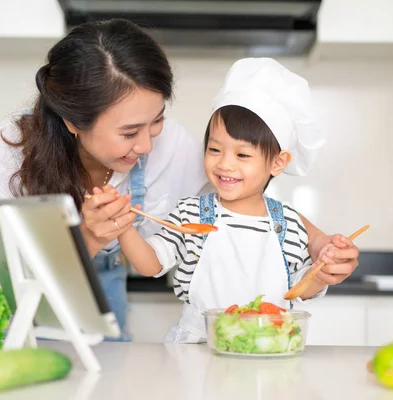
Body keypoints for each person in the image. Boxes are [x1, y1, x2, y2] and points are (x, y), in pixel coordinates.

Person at [0, 19, 210, 341]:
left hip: (101, 303)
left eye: (157, 119)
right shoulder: (11, 145)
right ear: (73, 122)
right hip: (10, 299)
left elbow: (233, 205)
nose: (147, 145)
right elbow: (5, 274)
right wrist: (88, 237)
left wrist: (299, 232)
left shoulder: (175, 147)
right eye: (129, 133)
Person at [113, 58, 361, 343]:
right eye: (215, 149)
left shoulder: (290, 224)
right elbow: (150, 265)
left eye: (242, 155)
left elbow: (298, 288)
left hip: (267, 349)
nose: (225, 165)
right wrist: (123, 227)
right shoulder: (191, 213)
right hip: (198, 352)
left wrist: (321, 272)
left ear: (277, 163)